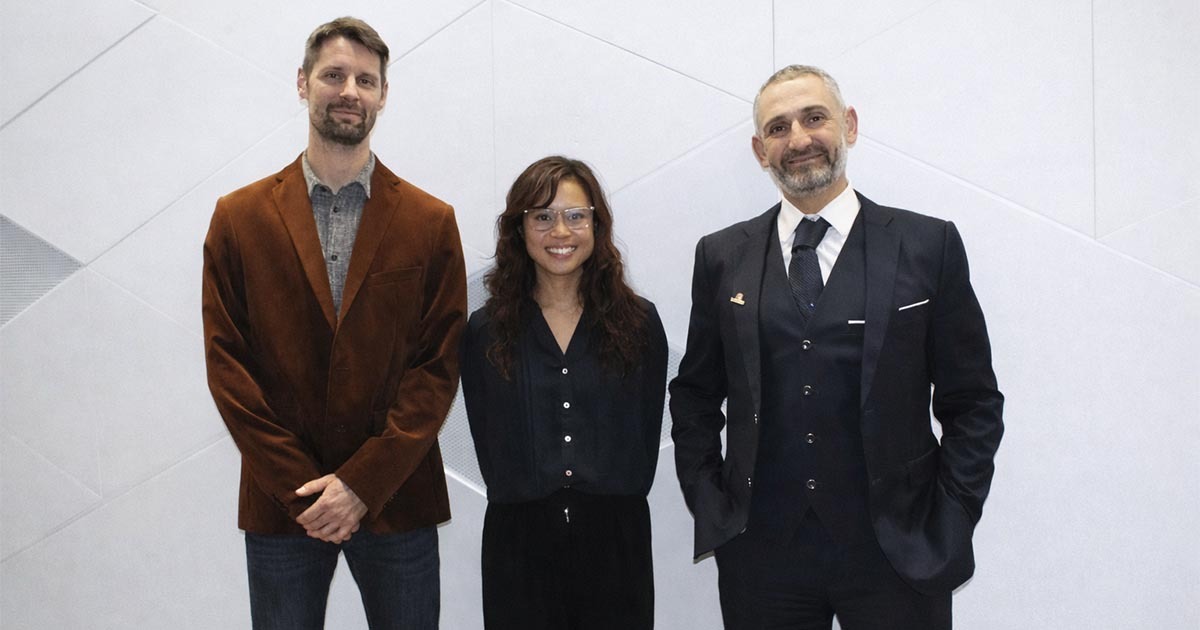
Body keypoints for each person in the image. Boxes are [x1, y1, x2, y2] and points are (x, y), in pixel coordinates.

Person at [669, 65, 1004, 629]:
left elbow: (972, 401)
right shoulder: (722, 256)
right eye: (778, 128)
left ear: (848, 125)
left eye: (814, 118)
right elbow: (695, 397)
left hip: (899, 552)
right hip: (763, 557)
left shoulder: (928, 245)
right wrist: (714, 505)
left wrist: (950, 517)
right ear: (760, 150)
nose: (798, 139)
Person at [202, 16, 466, 629]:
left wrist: (361, 484)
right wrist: (306, 490)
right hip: (284, 502)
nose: (350, 90)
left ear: (382, 95)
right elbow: (228, 366)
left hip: (396, 496)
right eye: (333, 75)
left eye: (365, 80)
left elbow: (437, 367)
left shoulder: (431, 222)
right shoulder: (238, 219)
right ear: (303, 84)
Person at [459, 156, 668, 629]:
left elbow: (644, 428)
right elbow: (486, 432)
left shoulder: (638, 323)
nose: (560, 232)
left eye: (575, 216)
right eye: (542, 217)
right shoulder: (486, 330)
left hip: (616, 542)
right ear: (519, 229)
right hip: (519, 544)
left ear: (596, 225)